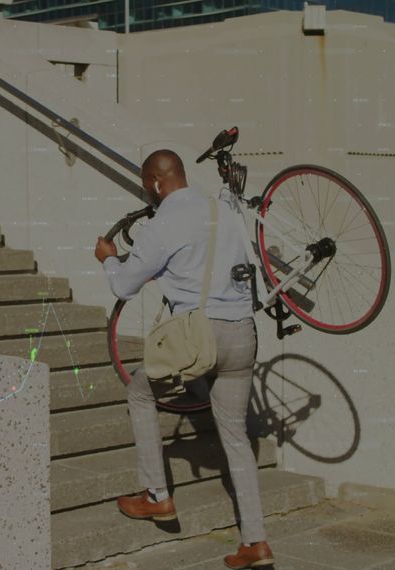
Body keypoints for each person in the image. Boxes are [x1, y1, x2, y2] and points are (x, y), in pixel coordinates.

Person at [94, 149, 274, 569]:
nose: (148, 193)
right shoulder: (223, 209)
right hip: (243, 335)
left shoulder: (163, 223)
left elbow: (123, 286)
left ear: (155, 184)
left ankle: (157, 496)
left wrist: (108, 259)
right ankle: (256, 542)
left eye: (146, 186)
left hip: (199, 336)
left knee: (140, 393)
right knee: (235, 435)